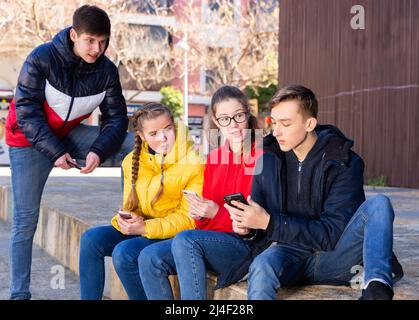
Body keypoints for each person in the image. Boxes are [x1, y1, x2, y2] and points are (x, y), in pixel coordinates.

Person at [224, 85, 404, 300]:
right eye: (274, 122)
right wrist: (248, 228)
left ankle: (377, 286)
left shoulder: (344, 162)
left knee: (379, 205)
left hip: (336, 257)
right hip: (290, 256)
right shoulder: (268, 159)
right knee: (262, 264)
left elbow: (332, 234)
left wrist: (269, 223)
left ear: (309, 124)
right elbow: (262, 228)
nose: (276, 132)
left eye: (286, 123)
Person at [5, 5, 134, 300]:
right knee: (25, 219)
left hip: (69, 135)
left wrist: (99, 151)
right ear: (74, 35)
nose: (97, 49)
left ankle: (133, 220)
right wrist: (54, 153)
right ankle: (18, 294)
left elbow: (116, 118)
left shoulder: (106, 71)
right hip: (28, 140)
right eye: (90, 41)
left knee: (133, 147)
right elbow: (25, 112)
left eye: (103, 42)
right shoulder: (42, 58)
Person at [138, 85, 264, 299]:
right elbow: (204, 222)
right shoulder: (215, 158)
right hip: (213, 239)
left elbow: (256, 224)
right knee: (149, 258)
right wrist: (200, 213)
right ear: (216, 121)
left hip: (247, 246)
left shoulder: (261, 155)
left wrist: (216, 213)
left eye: (238, 116)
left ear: (247, 114)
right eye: (224, 119)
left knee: (186, 239)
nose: (233, 125)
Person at [79, 102, 204, 300]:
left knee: (124, 253)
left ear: (174, 125)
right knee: (91, 239)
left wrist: (145, 227)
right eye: (153, 134)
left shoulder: (194, 163)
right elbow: (131, 206)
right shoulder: (131, 161)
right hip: (144, 229)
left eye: (168, 129)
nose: (163, 138)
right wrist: (127, 219)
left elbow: (189, 220)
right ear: (142, 136)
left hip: (173, 235)